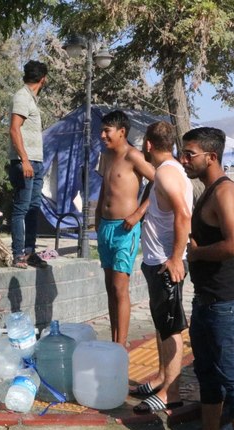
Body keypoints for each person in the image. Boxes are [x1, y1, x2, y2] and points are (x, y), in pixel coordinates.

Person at [166, 127, 234, 430]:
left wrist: (196, 255)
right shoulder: (206, 191)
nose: (183, 159)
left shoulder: (225, 192)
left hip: (227, 303)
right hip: (206, 300)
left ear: (211, 157)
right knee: (207, 374)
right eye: (183, 153)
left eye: (190, 154)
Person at [131, 121, 192, 414]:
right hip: (156, 260)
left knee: (171, 329)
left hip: (166, 264)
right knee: (162, 323)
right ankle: (160, 378)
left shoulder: (168, 173)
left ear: (148, 145)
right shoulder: (167, 171)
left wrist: (176, 258)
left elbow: (183, 214)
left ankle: (172, 393)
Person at [95, 110, 155, 346]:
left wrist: (139, 213)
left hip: (125, 229)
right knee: (110, 287)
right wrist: (98, 215)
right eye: (102, 130)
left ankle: (121, 345)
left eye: (106, 131)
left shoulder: (134, 156)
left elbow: (160, 182)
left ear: (122, 132)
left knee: (121, 287)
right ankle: (113, 340)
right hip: (105, 228)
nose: (102, 135)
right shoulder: (107, 156)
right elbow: (105, 186)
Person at [8, 60, 49, 269]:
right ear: (43, 79)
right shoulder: (22, 96)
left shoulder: (31, 99)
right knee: (21, 208)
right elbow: (14, 129)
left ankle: (30, 252)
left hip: (36, 161)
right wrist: (24, 159)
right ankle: (17, 254)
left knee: (34, 208)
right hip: (25, 161)